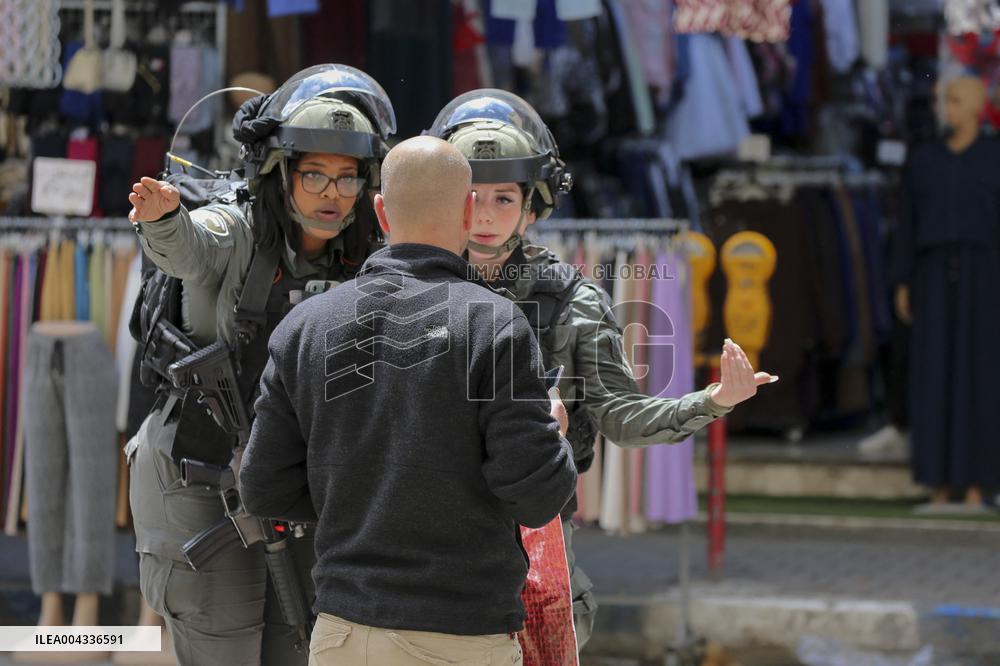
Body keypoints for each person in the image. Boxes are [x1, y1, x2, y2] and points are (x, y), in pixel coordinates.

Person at [427, 89, 776, 649]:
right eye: (471, 196)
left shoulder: (573, 303)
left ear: (533, 207)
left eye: (504, 197)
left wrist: (712, 401)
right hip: (423, 543)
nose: (485, 215)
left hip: (531, 543)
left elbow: (621, 416)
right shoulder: (409, 290)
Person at [239, 136, 577, 666]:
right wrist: (555, 436)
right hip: (460, 637)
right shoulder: (495, 325)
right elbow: (537, 498)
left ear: (380, 212)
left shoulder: (304, 326)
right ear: (468, 211)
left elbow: (263, 487)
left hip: (341, 634)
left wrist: (356, 497)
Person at [124, 64, 396, 666]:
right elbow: (190, 246)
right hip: (201, 474)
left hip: (298, 482)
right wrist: (163, 218)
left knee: (297, 646)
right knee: (223, 642)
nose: (332, 194)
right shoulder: (239, 227)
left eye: (347, 177)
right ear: (281, 171)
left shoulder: (366, 254)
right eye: (315, 174)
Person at [894, 76, 1000, 512]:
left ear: (976, 106)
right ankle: (937, 482)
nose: (947, 109)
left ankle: (979, 485)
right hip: (933, 276)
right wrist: (903, 280)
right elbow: (907, 222)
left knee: (981, 375)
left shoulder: (993, 157)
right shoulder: (924, 160)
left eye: (955, 101)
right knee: (934, 374)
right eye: (944, 101)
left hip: (987, 278)